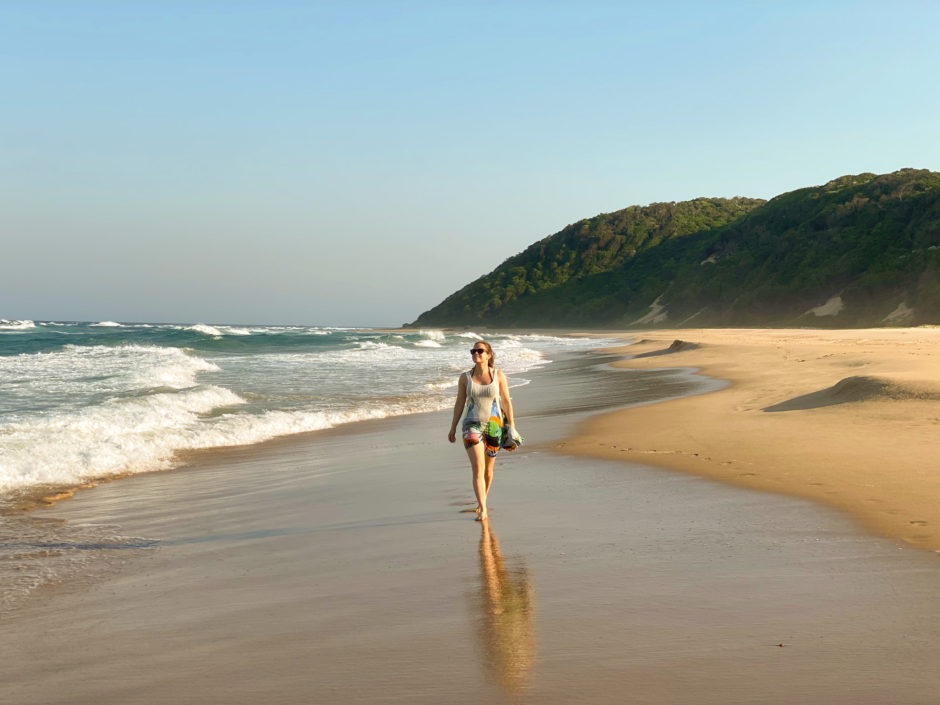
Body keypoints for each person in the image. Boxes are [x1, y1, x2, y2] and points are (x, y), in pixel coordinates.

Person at [448, 340, 516, 521]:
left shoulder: (498, 375)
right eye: (473, 351)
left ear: (489, 354)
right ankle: (484, 509)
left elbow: (507, 402)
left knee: (488, 470)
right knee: (478, 467)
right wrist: (453, 427)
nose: (476, 353)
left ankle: (481, 502)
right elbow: (459, 403)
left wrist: (513, 427)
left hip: (494, 425)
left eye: (480, 351)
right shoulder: (465, 378)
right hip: (471, 425)